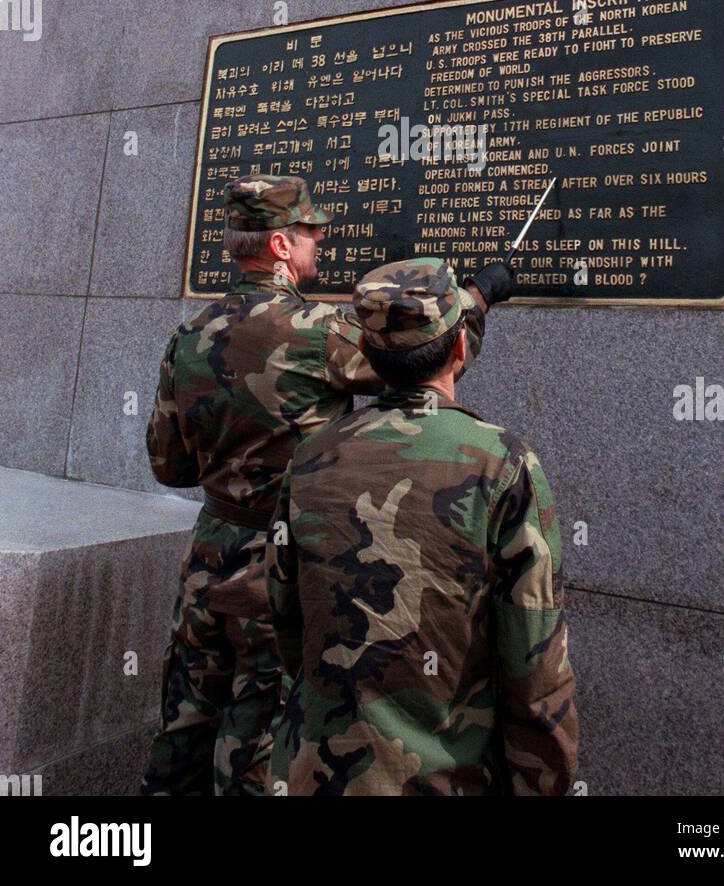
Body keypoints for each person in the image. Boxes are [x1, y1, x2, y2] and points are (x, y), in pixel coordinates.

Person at [141, 178, 495, 794]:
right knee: (259, 739)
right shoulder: (318, 331)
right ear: (279, 244)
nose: (320, 242)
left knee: (185, 721)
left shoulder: (189, 334)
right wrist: (478, 299)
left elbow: (168, 467)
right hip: (276, 568)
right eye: (309, 234)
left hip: (206, 560)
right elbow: (416, 351)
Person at [265, 255, 575, 796]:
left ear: (364, 352)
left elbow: (290, 624)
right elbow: (535, 666)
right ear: (460, 349)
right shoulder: (502, 465)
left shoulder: (309, 459)